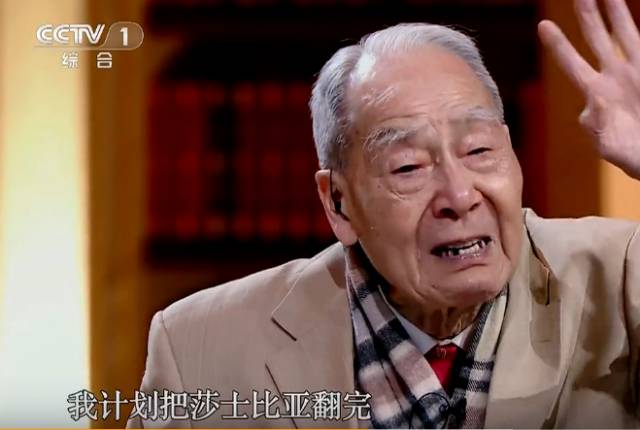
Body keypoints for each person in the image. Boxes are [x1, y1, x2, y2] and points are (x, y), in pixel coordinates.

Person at [128, 0, 640, 427]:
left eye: (479, 151)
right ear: (338, 203)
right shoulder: (200, 348)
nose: (460, 195)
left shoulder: (622, 277)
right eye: (408, 166)